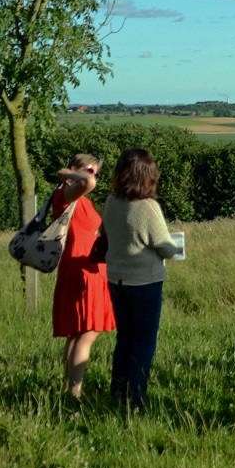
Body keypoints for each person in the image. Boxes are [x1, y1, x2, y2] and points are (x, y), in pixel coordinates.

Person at [101, 147, 182, 411]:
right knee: (144, 341)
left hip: (116, 280)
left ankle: (117, 391)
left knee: (124, 338)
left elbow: (106, 233)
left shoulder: (111, 201)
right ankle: (136, 398)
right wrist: (175, 247)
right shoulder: (148, 207)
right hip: (145, 282)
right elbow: (164, 245)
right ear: (147, 174)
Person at [49, 153, 114, 400]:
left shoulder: (78, 199)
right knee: (88, 332)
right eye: (89, 169)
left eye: (96, 172)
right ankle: (74, 392)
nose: (92, 176)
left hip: (86, 267)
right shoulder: (67, 193)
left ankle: (69, 389)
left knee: (79, 333)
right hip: (82, 270)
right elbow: (87, 183)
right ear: (74, 169)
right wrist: (71, 175)